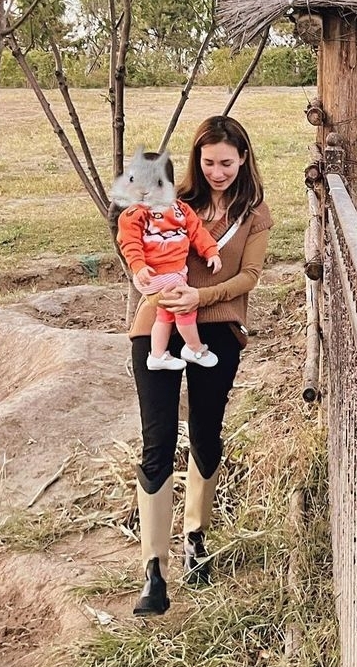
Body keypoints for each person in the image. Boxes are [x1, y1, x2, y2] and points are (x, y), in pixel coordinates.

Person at [128, 115, 272, 617]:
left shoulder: (254, 213)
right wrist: (143, 273)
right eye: (208, 162)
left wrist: (202, 294)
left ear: (243, 159)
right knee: (157, 439)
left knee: (205, 433)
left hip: (217, 329)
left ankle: (196, 536)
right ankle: (153, 570)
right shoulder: (172, 199)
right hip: (157, 324)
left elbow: (250, 276)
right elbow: (133, 239)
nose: (216, 171)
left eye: (226, 163)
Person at [112, 146, 223, 371]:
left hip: (174, 272)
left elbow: (197, 232)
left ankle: (158, 354)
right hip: (154, 274)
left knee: (165, 315)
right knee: (184, 307)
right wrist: (138, 266)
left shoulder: (181, 210)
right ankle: (194, 347)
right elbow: (129, 242)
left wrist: (211, 251)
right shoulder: (135, 214)